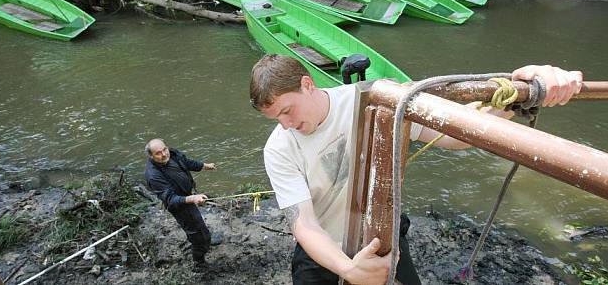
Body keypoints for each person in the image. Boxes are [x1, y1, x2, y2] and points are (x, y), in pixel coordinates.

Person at [249, 54, 582, 285]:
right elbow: (304, 225)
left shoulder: (374, 98)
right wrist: (349, 269)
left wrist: (520, 97)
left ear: (307, 84)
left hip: (383, 237)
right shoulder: (279, 147)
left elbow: (454, 136)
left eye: (287, 111)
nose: (287, 124)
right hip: (322, 251)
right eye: (276, 118)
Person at [144, 138, 217, 270]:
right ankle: (199, 263)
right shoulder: (153, 175)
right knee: (196, 232)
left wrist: (205, 166)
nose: (164, 154)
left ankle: (204, 240)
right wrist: (192, 198)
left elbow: (187, 162)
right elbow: (170, 199)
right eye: (158, 153)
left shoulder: (173, 154)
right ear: (151, 156)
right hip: (179, 205)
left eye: (164, 149)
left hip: (187, 197)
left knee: (198, 226)